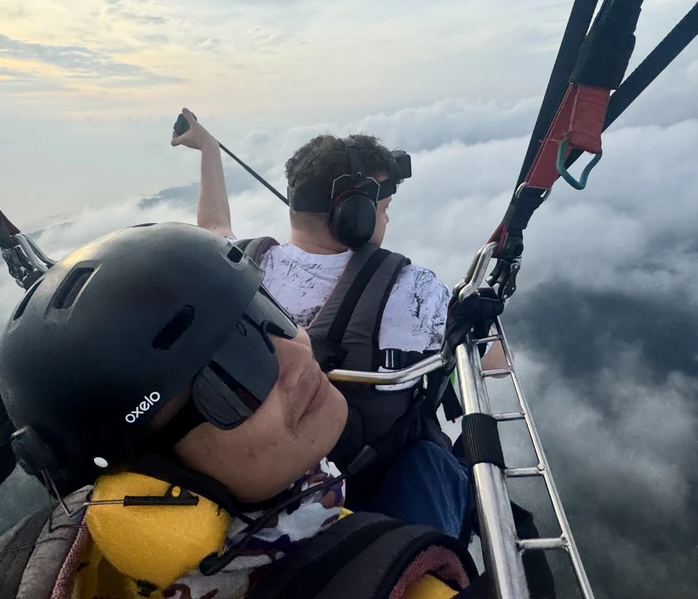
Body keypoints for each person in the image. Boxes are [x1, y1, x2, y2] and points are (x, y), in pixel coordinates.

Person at [0, 223, 486, 599]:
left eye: (268, 313)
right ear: (152, 474)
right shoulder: (411, 585)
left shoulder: (62, 560)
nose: (299, 353)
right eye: (236, 371)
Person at [169, 110, 505, 531]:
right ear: (355, 217)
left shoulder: (236, 267)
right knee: (433, 461)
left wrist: (208, 149)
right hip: (372, 483)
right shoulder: (412, 288)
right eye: (384, 209)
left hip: (257, 477)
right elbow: (490, 363)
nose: (387, 219)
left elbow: (214, 227)